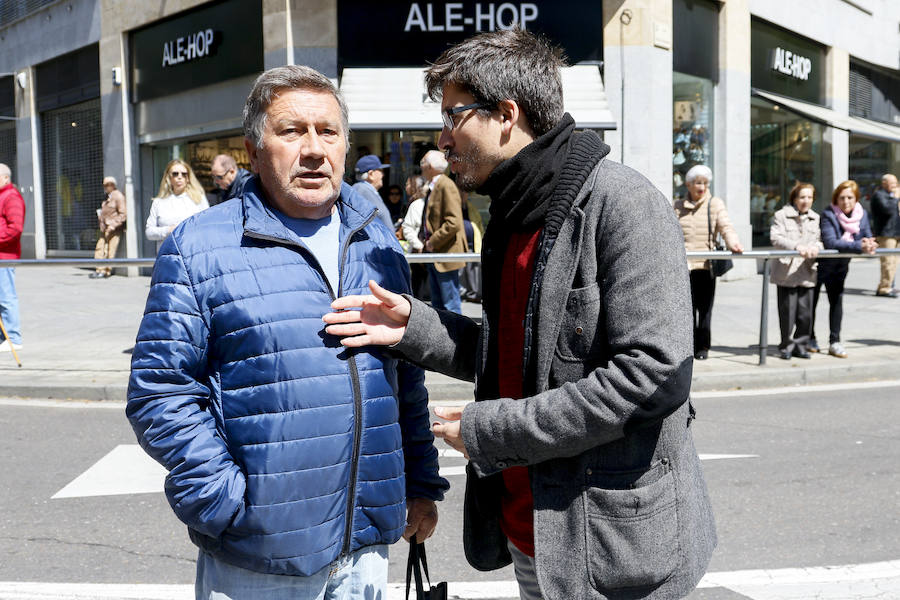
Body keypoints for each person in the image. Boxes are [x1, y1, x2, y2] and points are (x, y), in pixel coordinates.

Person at [324, 28, 715, 600]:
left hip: (613, 548)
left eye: (454, 115)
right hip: (532, 533)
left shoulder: (623, 204)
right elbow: (519, 352)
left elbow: (653, 377)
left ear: (506, 115)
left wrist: (491, 430)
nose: (443, 137)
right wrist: (413, 326)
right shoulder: (513, 212)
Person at [126, 65, 446, 599]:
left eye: (328, 131)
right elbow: (159, 391)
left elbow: (404, 377)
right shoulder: (199, 247)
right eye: (292, 131)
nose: (314, 149)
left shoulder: (376, 239)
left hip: (366, 546)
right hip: (259, 556)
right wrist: (227, 501)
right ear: (253, 151)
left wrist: (419, 483)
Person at [674, 164, 744, 360]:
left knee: (705, 309)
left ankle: (703, 346)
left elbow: (726, 227)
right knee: (686, 309)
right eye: (698, 183)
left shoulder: (715, 204)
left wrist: (734, 242)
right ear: (688, 185)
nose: (702, 187)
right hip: (684, 267)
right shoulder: (677, 206)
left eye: (705, 183)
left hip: (706, 266)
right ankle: (687, 345)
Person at [811, 180, 878, 358]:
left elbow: (866, 234)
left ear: (856, 199)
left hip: (840, 266)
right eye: (842, 198)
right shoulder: (828, 214)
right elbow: (831, 242)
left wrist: (870, 243)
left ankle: (835, 341)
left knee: (836, 303)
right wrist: (859, 246)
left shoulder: (861, 214)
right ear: (836, 198)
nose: (846, 201)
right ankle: (810, 338)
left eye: (850, 197)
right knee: (812, 303)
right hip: (819, 266)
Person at [770, 183, 822, 360]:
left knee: (805, 313)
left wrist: (815, 247)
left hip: (806, 269)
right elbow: (775, 238)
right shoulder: (781, 215)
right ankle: (786, 345)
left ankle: (801, 345)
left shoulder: (815, 218)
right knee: (787, 313)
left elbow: (820, 240)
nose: (805, 201)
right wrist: (796, 246)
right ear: (794, 198)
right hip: (787, 272)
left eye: (809, 197)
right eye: (802, 197)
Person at [418, 149, 467, 314]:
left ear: (430, 166)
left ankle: (456, 332)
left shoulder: (446, 185)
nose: (421, 167)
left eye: (423, 163)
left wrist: (433, 241)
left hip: (445, 253)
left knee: (450, 305)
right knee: (438, 305)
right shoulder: (434, 186)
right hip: (436, 254)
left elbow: (454, 222)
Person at [144, 159, 208, 252]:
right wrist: (169, 230)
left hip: (193, 253)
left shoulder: (199, 198)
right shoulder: (158, 202)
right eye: (175, 174)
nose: (179, 177)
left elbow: (207, 226)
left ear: (188, 178)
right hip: (168, 255)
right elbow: (149, 232)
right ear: (168, 177)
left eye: (184, 174)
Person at [0, 163, 24, 353]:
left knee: (6, 297)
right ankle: (4, 337)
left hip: (5, 256)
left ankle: (13, 338)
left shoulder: (11, 197)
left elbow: (15, 229)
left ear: (6, 178)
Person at [400, 174, 430, 300]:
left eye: (408, 184)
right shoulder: (416, 204)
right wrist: (419, 245)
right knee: (419, 289)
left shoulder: (422, 204)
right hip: (419, 252)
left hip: (430, 251)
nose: (406, 187)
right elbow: (407, 228)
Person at [90, 176, 127, 279]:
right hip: (104, 228)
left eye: (107, 185)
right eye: (104, 185)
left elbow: (123, 214)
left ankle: (106, 271)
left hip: (114, 229)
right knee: (100, 248)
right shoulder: (107, 197)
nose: (105, 187)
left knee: (110, 250)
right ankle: (99, 270)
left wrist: (113, 225)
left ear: (112, 185)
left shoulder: (118, 196)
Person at [870, 173, 899, 298]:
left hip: (896, 233)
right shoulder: (879, 195)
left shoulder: (892, 196)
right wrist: (896, 198)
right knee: (887, 262)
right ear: (884, 183)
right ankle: (884, 288)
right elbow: (887, 209)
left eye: (896, 182)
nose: (895, 185)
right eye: (892, 183)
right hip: (886, 234)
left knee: (894, 262)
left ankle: (888, 285)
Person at [352, 154, 394, 229]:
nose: (383, 174)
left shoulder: (365, 190)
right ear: (371, 174)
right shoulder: (362, 190)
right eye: (380, 171)